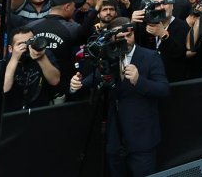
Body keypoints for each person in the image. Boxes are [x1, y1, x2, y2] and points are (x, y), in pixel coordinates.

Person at [70, 18, 170, 177]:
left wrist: (139, 81)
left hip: (141, 137)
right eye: (120, 37)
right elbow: (91, 80)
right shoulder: (107, 56)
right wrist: (76, 84)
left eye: (129, 35)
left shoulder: (150, 56)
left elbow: (164, 90)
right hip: (114, 135)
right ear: (112, 38)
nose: (126, 40)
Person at [3, 28, 61, 111]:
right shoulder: (7, 60)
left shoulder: (45, 54)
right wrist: (14, 58)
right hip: (13, 110)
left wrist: (41, 58)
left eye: (30, 41)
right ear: (10, 49)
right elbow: (5, 88)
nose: (26, 46)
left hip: (40, 108)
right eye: (20, 44)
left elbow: (55, 81)